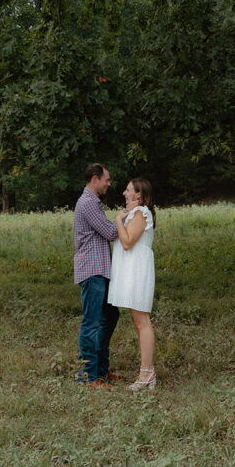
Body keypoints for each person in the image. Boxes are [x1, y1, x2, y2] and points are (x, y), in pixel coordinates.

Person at [73, 163, 124, 387]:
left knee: (110, 317)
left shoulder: (93, 202)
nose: (109, 184)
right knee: (92, 322)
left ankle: (101, 371)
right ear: (95, 179)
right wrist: (124, 216)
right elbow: (111, 232)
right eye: (107, 179)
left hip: (100, 270)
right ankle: (87, 377)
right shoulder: (88, 203)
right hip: (92, 271)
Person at [108, 177, 157, 392]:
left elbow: (128, 242)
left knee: (142, 322)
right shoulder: (134, 214)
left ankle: (147, 373)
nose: (124, 194)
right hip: (131, 271)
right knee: (139, 322)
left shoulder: (141, 213)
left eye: (128, 191)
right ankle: (147, 372)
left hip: (138, 272)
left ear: (138, 194)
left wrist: (118, 221)